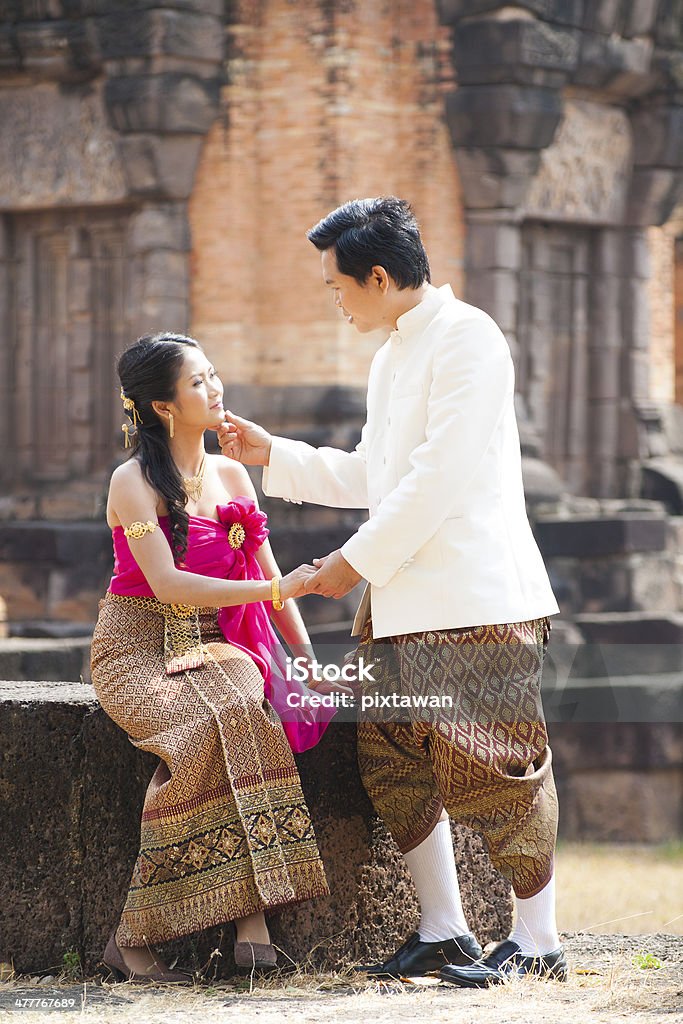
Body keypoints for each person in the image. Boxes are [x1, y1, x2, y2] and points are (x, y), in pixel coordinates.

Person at [217, 197, 566, 986]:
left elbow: (435, 481)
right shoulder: (391, 354)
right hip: (402, 598)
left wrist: (349, 563)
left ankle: (539, 941)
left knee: (499, 769)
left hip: (477, 597)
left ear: (378, 277)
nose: (335, 302)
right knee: (392, 760)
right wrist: (276, 453)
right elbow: (378, 474)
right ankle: (444, 931)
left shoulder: (469, 338)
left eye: (339, 287)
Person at [91, 332, 342, 984]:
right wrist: (274, 588)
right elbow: (170, 585)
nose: (215, 388)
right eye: (198, 381)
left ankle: (244, 917)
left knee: (240, 706)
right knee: (201, 729)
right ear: (163, 406)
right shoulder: (132, 483)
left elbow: (271, 572)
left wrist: (306, 656)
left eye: (212, 374)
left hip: (217, 641)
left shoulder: (230, 473)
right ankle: (142, 934)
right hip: (137, 646)